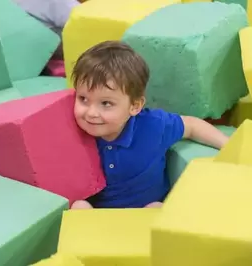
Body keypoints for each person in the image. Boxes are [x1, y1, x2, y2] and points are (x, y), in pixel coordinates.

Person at [70, 41, 229, 209]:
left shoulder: (153, 126)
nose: (91, 113)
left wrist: (228, 144)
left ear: (135, 106)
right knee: (79, 206)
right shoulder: (70, 129)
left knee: (156, 207)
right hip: (98, 218)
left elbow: (192, 126)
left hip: (146, 211)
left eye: (106, 103)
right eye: (83, 99)